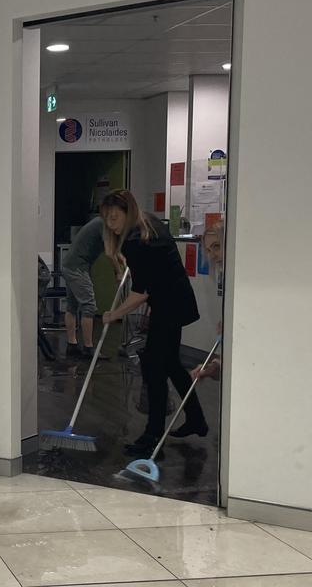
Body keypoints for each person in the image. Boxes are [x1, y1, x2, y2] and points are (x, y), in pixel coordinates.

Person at [98, 189, 207, 457]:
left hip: (169, 306)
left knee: (154, 369)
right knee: (169, 363)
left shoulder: (137, 240)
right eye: (107, 220)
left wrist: (115, 314)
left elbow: (141, 293)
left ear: (127, 212)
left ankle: (151, 438)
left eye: (114, 218)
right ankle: (196, 419)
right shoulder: (148, 223)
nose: (110, 225)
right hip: (175, 302)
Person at [60, 216, 104, 360]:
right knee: (89, 305)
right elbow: (111, 251)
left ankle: (71, 344)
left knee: (72, 305)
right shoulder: (103, 224)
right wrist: (118, 268)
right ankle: (88, 348)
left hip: (69, 264)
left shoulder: (97, 222)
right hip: (77, 267)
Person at [192, 219, 226, 381]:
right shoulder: (224, 279)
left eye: (217, 246)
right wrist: (212, 368)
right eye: (208, 250)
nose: (212, 255)